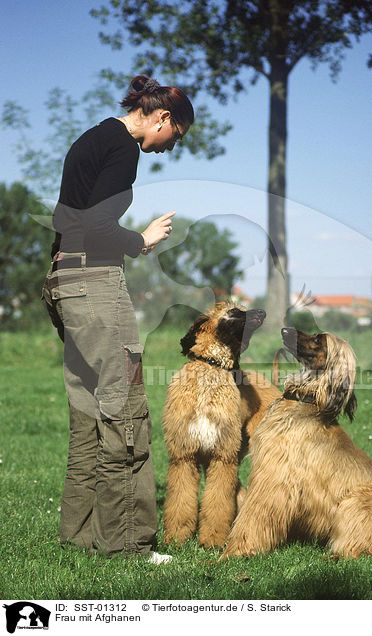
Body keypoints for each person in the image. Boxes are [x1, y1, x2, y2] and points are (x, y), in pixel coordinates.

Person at [41, 75, 194, 562]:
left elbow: (72, 224)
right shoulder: (123, 147)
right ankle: (127, 543)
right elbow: (98, 226)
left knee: (89, 410)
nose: (171, 147)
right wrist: (142, 241)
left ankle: (81, 532)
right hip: (95, 287)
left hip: (65, 279)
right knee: (126, 407)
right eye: (177, 136)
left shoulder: (92, 138)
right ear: (163, 118)